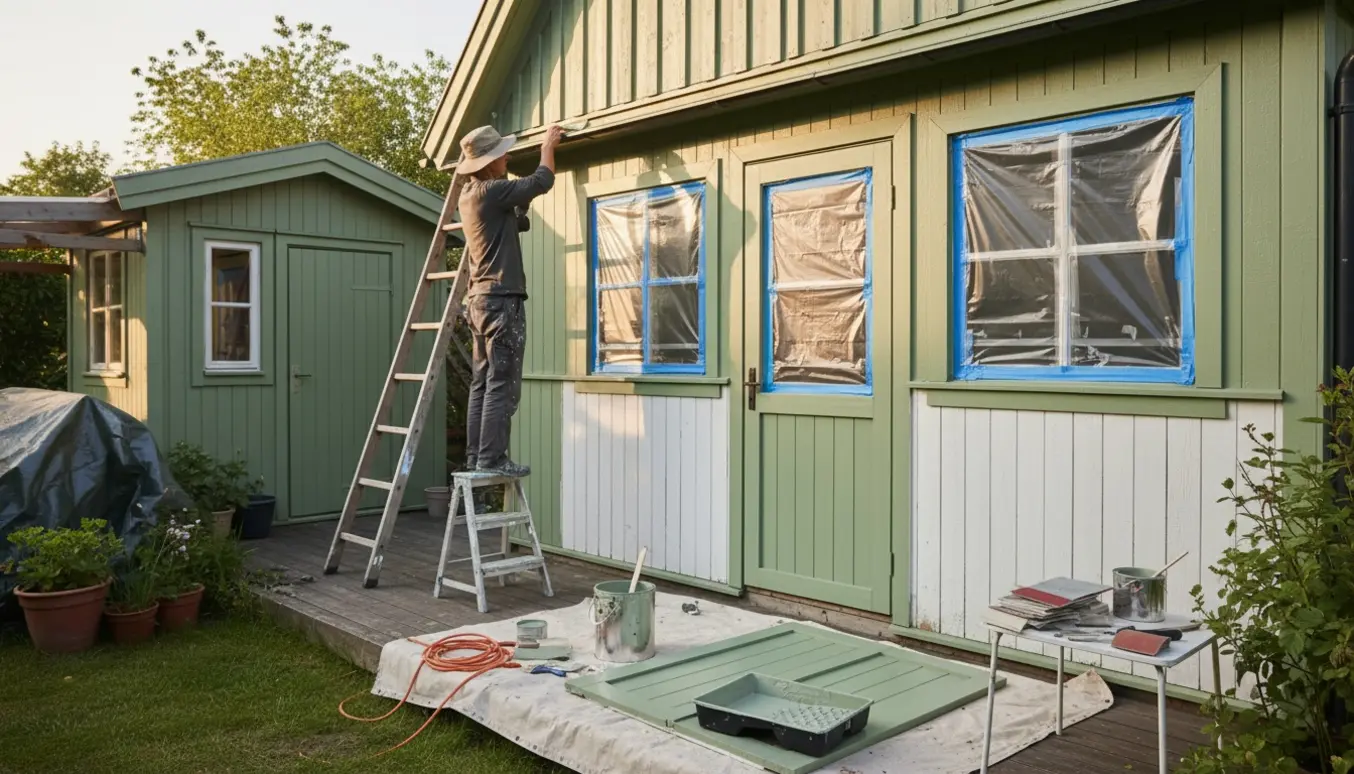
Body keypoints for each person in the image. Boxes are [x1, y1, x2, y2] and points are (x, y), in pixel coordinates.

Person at [456, 123, 563, 477]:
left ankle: (476, 457)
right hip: (502, 301)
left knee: (482, 381)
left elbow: (515, 221)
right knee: (502, 383)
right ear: (489, 162)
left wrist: (521, 200)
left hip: (479, 301)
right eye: (502, 153)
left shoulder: (470, 196)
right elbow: (542, 180)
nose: (507, 156)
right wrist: (549, 144)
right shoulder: (492, 191)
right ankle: (493, 459)